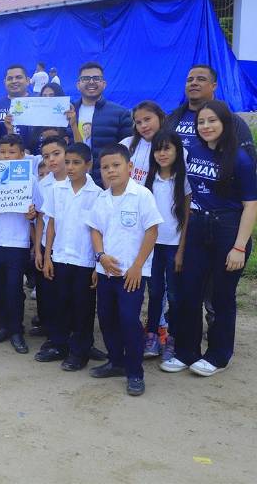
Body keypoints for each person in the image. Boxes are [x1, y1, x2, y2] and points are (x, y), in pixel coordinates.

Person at [162, 101, 257, 377]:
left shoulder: (240, 159)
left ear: (225, 124)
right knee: (189, 291)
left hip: (228, 228)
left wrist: (239, 247)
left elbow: (251, 205)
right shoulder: (192, 151)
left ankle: (218, 355)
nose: (206, 126)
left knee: (221, 296)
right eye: (201, 122)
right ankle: (186, 351)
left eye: (212, 121)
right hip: (197, 227)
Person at [87, 144, 162, 397]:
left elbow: (152, 230)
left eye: (116, 165)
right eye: (105, 167)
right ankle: (116, 362)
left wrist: (138, 266)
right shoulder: (102, 198)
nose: (110, 171)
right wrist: (100, 257)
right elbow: (95, 230)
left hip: (132, 274)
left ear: (129, 167)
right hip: (107, 272)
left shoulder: (142, 195)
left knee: (129, 321)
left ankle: (135, 373)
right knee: (107, 318)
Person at [41, 142, 101, 370]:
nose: (71, 167)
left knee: (83, 308)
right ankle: (59, 345)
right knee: (60, 304)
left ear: (88, 165)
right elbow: (51, 224)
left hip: (84, 261)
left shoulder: (97, 194)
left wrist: (97, 264)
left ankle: (80, 351)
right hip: (60, 257)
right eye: (68, 162)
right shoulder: (57, 190)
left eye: (76, 163)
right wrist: (48, 256)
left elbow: (99, 231)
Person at [0, 134, 37, 355]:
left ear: (22, 154)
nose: (6, 156)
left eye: (11, 152)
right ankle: (4, 326)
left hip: (18, 242)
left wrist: (33, 214)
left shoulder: (30, 179)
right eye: (2, 152)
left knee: (14, 288)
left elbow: (38, 213)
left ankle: (17, 330)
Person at [143, 130, 190, 361]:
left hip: (174, 247)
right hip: (152, 247)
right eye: (158, 149)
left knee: (173, 294)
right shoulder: (149, 180)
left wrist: (181, 250)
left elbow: (187, 219)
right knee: (154, 292)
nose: (162, 153)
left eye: (167, 148)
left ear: (177, 151)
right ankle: (151, 335)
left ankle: (173, 338)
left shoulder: (182, 180)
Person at [165, 64, 255, 154]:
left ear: (214, 86)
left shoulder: (232, 121)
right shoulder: (172, 118)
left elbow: (247, 161)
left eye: (201, 79)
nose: (193, 83)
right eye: (189, 80)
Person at [32, 135, 69, 347]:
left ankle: (69, 332)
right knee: (48, 292)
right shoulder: (43, 184)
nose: (52, 160)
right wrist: (37, 250)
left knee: (67, 294)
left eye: (56, 154)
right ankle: (51, 331)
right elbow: (40, 219)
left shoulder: (80, 181)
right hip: (47, 246)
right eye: (46, 156)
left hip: (70, 247)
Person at [71, 62, 134, 185]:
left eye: (96, 78)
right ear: (78, 85)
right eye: (85, 79)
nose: (91, 82)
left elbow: (128, 152)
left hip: (107, 183)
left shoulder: (120, 113)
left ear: (104, 84)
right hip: (75, 182)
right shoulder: (68, 112)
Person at [0, 65, 33, 150]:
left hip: (36, 159)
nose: (14, 81)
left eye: (18, 77)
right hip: (6, 159)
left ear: (27, 81)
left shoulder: (39, 104)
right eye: (10, 78)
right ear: (5, 82)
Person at [120, 101, 166, 185]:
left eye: (147, 119)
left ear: (160, 118)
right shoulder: (125, 144)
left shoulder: (172, 146)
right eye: (138, 122)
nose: (143, 125)